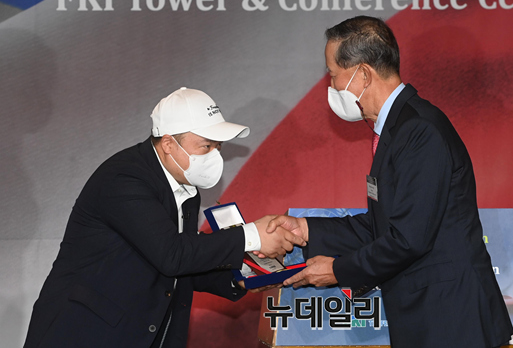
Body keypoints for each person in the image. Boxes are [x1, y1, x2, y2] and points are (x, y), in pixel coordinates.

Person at [267, 17, 513, 347]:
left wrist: (338, 270)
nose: (332, 86)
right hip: (432, 317)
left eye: (333, 75)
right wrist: (306, 229)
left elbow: (409, 239)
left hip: (452, 319)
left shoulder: (419, 130)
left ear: (363, 74)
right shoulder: (398, 129)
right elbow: (383, 227)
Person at [24, 87, 305, 348]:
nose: (215, 155)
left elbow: (178, 265)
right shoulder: (124, 178)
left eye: (218, 146)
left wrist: (240, 277)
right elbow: (172, 254)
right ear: (169, 144)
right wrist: (252, 235)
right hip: (85, 333)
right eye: (206, 146)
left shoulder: (185, 186)